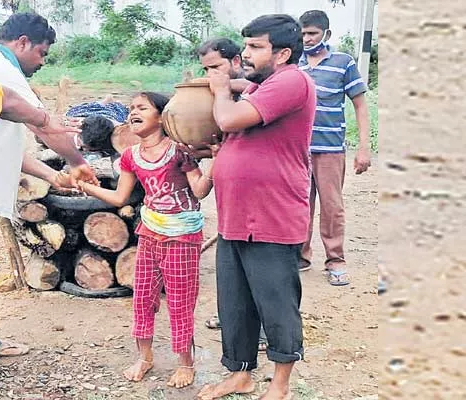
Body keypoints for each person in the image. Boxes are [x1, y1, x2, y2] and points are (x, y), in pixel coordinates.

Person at [0, 14, 97, 389]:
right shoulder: (1, 70)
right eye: (42, 53)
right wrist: (78, 163)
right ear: (23, 43)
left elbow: (7, 145)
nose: (42, 62)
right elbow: (44, 126)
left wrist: (52, 175)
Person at [196, 14, 316, 400]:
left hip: (272, 216)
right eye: (245, 45)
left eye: (254, 47)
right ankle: (239, 374)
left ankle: (280, 385)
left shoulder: (292, 81)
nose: (244, 53)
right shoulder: (261, 84)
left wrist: (218, 91)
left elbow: (229, 118)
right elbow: (237, 95)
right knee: (235, 304)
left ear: (282, 53)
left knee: (276, 303)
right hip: (236, 215)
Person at [76, 92, 216, 389]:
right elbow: (119, 197)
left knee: (180, 302)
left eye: (142, 108)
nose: (133, 112)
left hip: (182, 236)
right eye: (131, 109)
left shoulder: (179, 151)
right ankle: (145, 357)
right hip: (150, 233)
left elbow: (200, 191)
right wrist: (87, 188)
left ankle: (185, 363)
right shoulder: (130, 156)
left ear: (163, 117)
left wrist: (218, 157)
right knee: (142, 298)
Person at [196, 37, 269, 351]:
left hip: (262, 194)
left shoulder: (262, 87)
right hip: (234, 192)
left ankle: (267, 328)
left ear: (236, 61)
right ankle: (237, 319)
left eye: (216, 67)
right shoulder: (228, 91)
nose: (210, 74)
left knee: (262, 266)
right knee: (235, 267)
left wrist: (224, 89)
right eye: (206, 69)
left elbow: (234, 118)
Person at [297, 10, 372, 286]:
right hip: (298, 152)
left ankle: (335, 260)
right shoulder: (294, 64)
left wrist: (364, 148)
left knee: (332, 207)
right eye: (303, 33)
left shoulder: (343, 63)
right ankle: (300, 256)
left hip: (330, 149)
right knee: (299, 204)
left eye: (312, 34)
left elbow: (361, 105)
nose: (306, 39)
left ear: (326, 35)